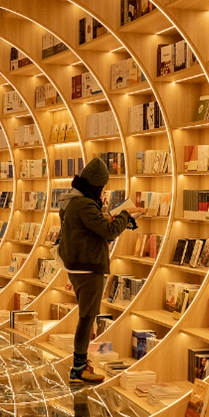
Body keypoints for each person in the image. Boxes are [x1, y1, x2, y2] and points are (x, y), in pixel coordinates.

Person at [58, 158, 143, 384]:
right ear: (96, 185)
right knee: (87, 317)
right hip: (87, 268)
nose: (103, 191)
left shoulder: (72, 201)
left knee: (86, 316)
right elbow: (108, 231)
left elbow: (91, 230)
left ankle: (80, 363)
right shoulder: (85, 204)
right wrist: (125, 215)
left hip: (77, 265)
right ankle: (79, 368)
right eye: (102, 187)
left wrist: (113, 219)